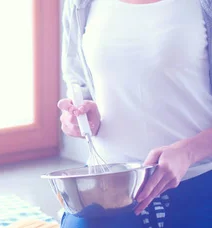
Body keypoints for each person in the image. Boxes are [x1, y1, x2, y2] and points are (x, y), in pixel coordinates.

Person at [58, 0, 212, 227]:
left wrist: (188, 152)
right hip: (107, 190)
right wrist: (80, 118)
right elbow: (80, 88)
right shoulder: (80, 4)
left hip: (198, 182)